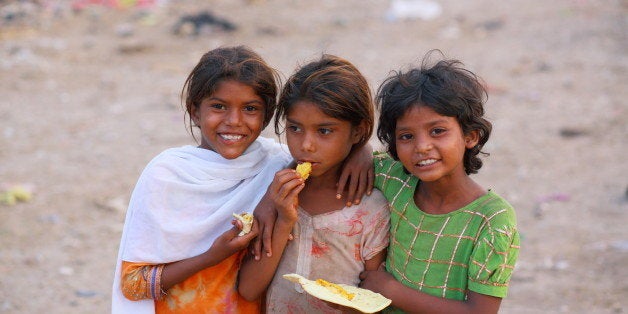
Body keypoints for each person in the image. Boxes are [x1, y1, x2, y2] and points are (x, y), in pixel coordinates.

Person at [111, 46, 373, 313]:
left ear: (267, 115)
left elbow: (325, 149)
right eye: (218, 106)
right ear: (194, 111)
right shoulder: (167, 176)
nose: (234, 121)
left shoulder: (275, 163)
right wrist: (211, 256)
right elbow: (134, 285)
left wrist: (362, 149)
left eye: (250, 108)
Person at [358, 52, 521, 313]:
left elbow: (479, 312)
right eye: (407, 136)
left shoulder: (492, 220)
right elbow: (352, 157)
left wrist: (391, 290)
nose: (422, 147)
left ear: (470, 136)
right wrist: (361, 153)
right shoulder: (393, 179)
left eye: (438, 131)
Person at [238, 54, 390, 313]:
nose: (306, 145)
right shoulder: (278, 193)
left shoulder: (370, 208)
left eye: (324, 131)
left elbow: (372, 299)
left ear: (357, 131)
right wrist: (284, 219)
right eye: (295, 128)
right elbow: (249, 289)